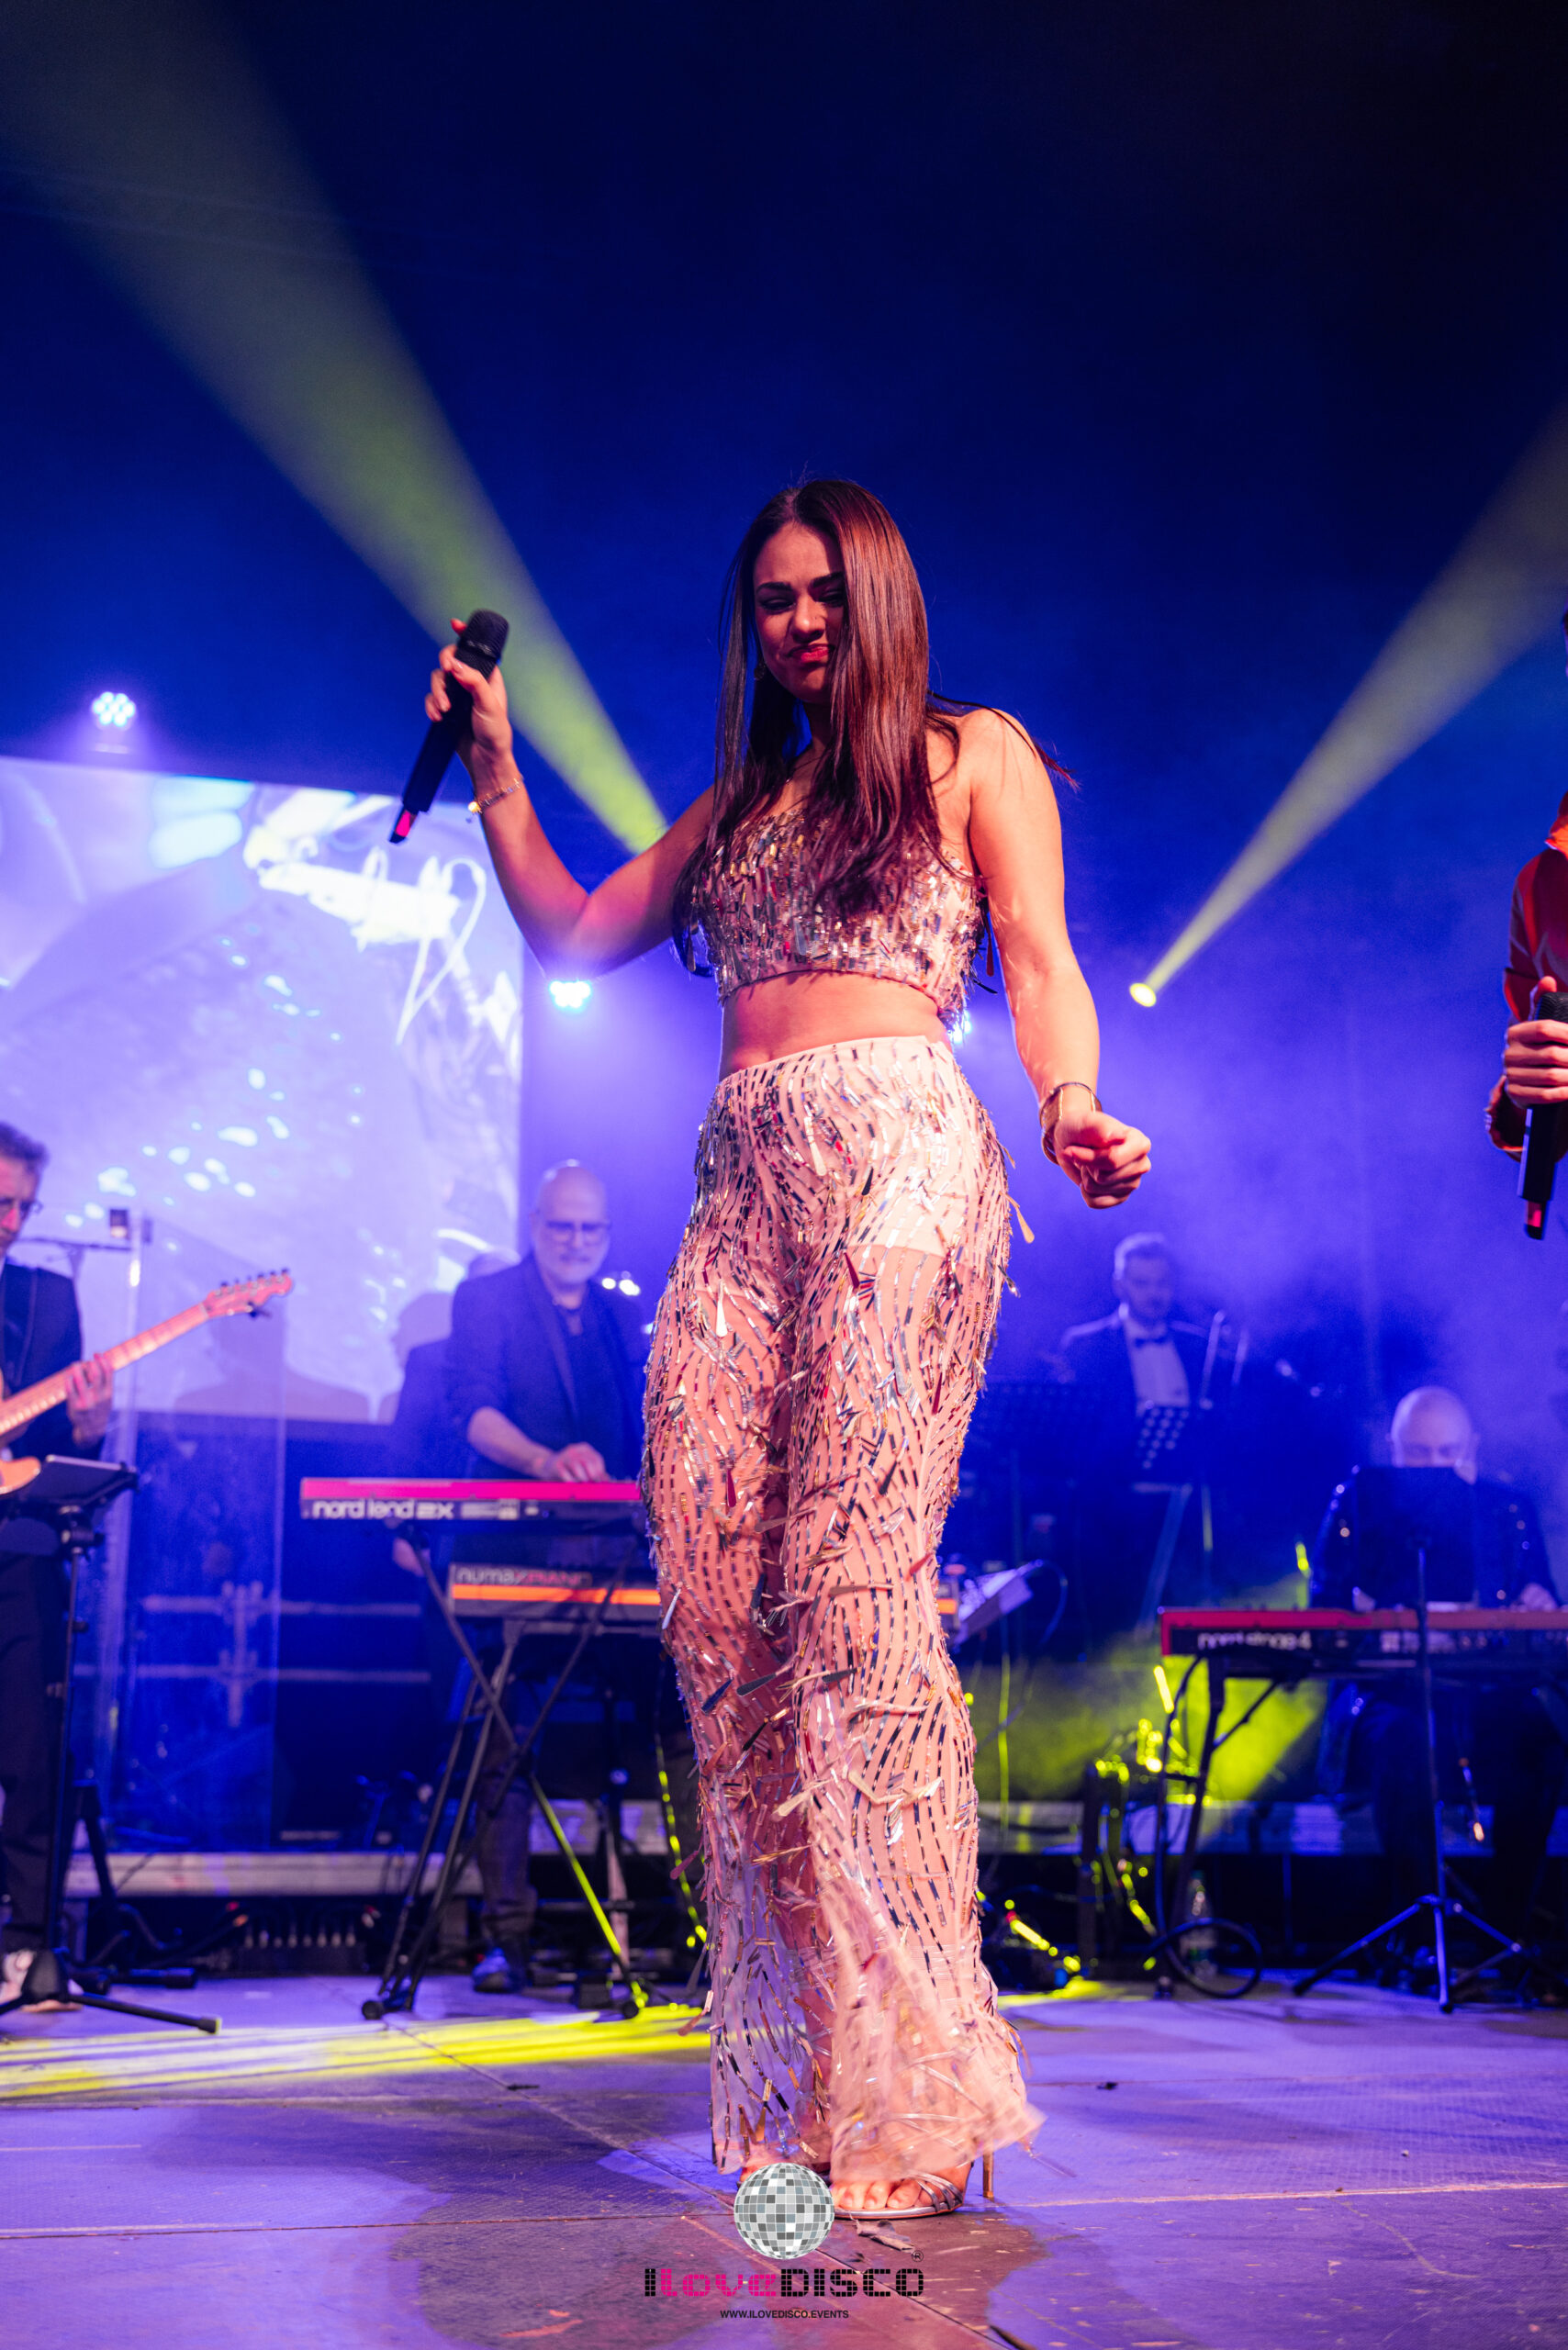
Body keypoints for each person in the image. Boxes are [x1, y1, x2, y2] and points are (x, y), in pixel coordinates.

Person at [426, 477, 1149, 2214]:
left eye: (823, 592)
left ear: (878, 596)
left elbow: (1039, 956)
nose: (798, 622)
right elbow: (574, 927)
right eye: (770, 600)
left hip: (900, 1159)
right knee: (719, 1609)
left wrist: (1069, 1100)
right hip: (742, 1188)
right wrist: (497, 768)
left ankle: (920, 2083)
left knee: (848, 1594)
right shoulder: (745, 803)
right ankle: (827, 2053)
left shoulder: (971, 754)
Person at [442, 1170, 643, 1994]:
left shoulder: (620, 1316)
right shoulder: (487, 1300)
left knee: (674, 1710)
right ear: (534, 1225)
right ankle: (507, 1934)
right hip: (514, 1543)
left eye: (591, 1230)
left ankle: (683, 1924)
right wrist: (544, 1461)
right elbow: (472, 1411)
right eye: (563, 1227)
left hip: (610, 1553)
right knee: (502, 1726)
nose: (576, 1242)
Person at [1312, 1386, 1564, 1941]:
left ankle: (1505, 1934)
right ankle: (1422, 1934)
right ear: (1393, 1448)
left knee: (1540, 1746)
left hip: (1489, 1695)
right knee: (1402, 1740)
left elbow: (1541, 1597)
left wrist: (1539, 1603)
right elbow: (1322, 1610)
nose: (1434, 1468)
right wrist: (1356, 1611)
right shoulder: (1358, 1503)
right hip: (1393, 1693)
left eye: (1448, 1454)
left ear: (1472, 1447)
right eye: (1418, 1453)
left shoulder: (1507, 1508)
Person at [0, 1121, 114, 2002]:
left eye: (24, 1208)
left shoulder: (44, 1300)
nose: (11, 1222)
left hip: (21, 1552)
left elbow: (62, 1455)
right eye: (0, 1202)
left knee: (35, 1757)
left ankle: (28, 1948)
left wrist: (88, 1428)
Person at [1058, 1234, 1211, 1643]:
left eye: (1161, 1283)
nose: (1153, 1294)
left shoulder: (1198, 1345)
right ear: (1119, 1285)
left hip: (1183, 1503)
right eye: (1142, 1283)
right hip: (1115, 1508)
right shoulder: (1086, 1346)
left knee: (1183, 1615)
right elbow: (1076, 1438)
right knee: (1117, 1621)